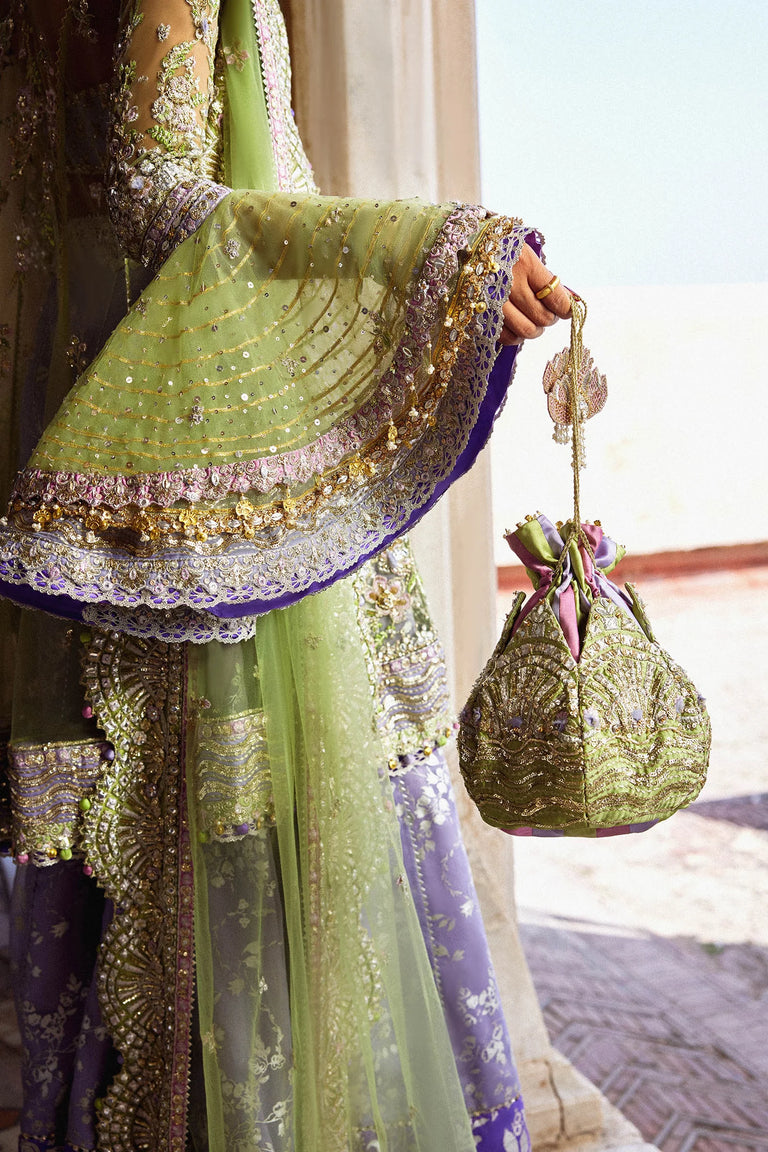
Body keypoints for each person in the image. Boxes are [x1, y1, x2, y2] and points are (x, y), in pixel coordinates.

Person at [0, 1, 571, 1149]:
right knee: (245, 880)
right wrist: (432, 255)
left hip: (91, 459)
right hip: (195, 479)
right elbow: (161, 199)